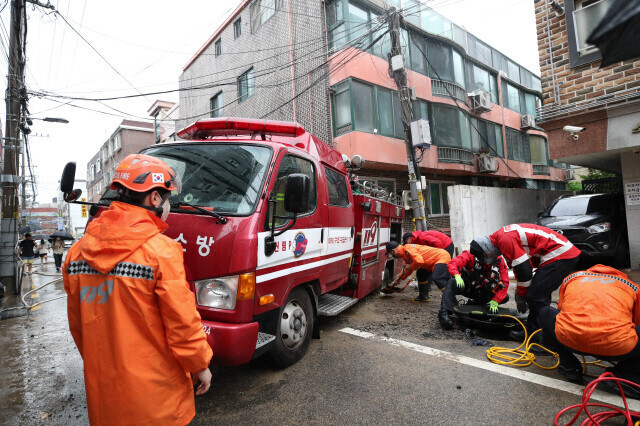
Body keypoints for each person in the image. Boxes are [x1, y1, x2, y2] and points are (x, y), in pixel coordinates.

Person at [63, 154, 213, 425]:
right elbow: (182, 323)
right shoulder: (161, 252)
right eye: (168, 199)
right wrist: (200, 365)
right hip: (157, 397)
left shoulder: (76, 254)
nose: (169, 206)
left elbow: (79, 326)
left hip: (104, 392)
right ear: (155, 199)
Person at [538, 265, 640, 399]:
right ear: (619, 275)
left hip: (569, 339)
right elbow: (636, 320)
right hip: (617, 348)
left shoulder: (572, 278)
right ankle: (625, 375)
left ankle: (569, 366)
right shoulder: (632, 286)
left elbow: (562, 310)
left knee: (545, 312)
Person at [470, 223, 580, 341]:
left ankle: (545, 336)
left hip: (561, 254)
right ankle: (534, 331)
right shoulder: (502, 238)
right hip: (560, 253)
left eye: (485, 256)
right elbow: (519, 268)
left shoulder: (505, 240)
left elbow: (524, 270)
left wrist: (521, 295)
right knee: (539, 294)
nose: (487, 260)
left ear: (486, 248)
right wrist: (521, 291)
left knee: (535, 296)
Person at [438, 250, 510, 330]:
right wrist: (456, 275)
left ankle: (476, 304)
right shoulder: (471, 254)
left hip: (483, 292)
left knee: (505, 297)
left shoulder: (499, 261)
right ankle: (445, 312)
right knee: (452, 282)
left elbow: (505, 282)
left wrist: (496, 300)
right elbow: (453, 263)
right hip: (467, 287)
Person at [386, 241, 451, 303]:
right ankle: (423, 297)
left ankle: (451, 300)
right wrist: (399, 278)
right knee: (421, 273)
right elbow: (408, 269)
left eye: (390, 253)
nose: (391, 255)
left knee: (437, 278)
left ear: (393, 251)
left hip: (441, 257)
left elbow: (419, 261)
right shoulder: (405, 253)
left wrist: (411, 266)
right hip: (432, 261)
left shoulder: (407, 249)